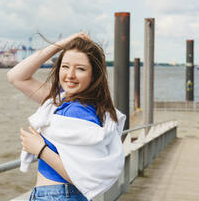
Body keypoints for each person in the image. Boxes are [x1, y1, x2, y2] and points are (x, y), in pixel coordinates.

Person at [7, 32, 126, 201]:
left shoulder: (79, 111)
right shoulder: (62, 100)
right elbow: (16, 76)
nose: (70, 74)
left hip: (59, 196)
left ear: (94, 75)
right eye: (65, 66)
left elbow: (82, 176)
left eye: (80, 69)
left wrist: (40, 150)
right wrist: (64, 43)